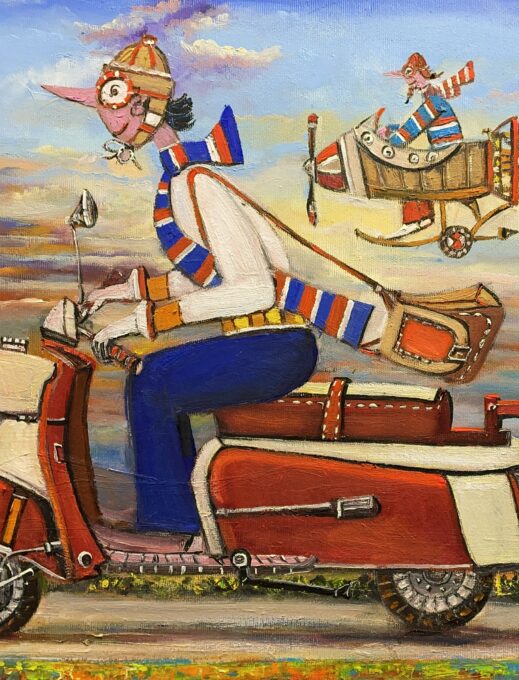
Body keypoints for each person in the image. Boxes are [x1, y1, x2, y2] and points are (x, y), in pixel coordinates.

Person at [43, 35, 382, 535]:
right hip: (264, 342)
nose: (110, 123)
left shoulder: (196, 184)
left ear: (142, 107)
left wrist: (142, 321)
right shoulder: (186, 179)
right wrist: (119, 295)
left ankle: (172, 528)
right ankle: (181, 519)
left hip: (274, 346)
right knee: (156, 381)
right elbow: (205, 276)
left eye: (115, 109)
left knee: (151, 383)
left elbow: (255, 290)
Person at [378, 52, 474, 236]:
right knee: (417, 166)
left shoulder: (434, 102)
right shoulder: (433, 101)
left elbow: (413, 128)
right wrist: (390, 130)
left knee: (408, 171)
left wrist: (391, 142)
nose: (413, 86)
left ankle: (414, 220)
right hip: (446, 153)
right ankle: (424, 217)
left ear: (422, 74)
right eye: (411, 83)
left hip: (447, 155)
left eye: (414, 81)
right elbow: (417, 123)